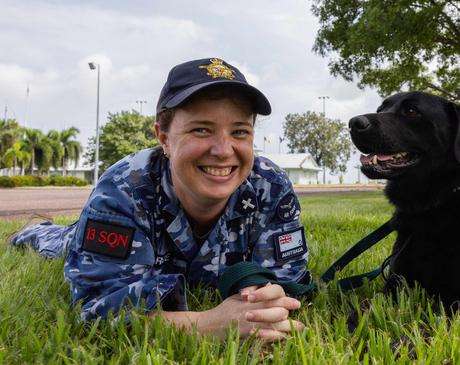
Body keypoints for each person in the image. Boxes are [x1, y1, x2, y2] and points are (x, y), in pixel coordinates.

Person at [9, 57, 311, 341]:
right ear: (163, 137)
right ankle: (34, 231)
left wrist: (263, 304)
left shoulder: (269, 185)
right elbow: (98, 308)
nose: (223, 149)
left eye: (240, 131)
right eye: (201, 129)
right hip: (91, 231)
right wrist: (210, 324)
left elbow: (288, 279)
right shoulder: (123, 188)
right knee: (59, 241)